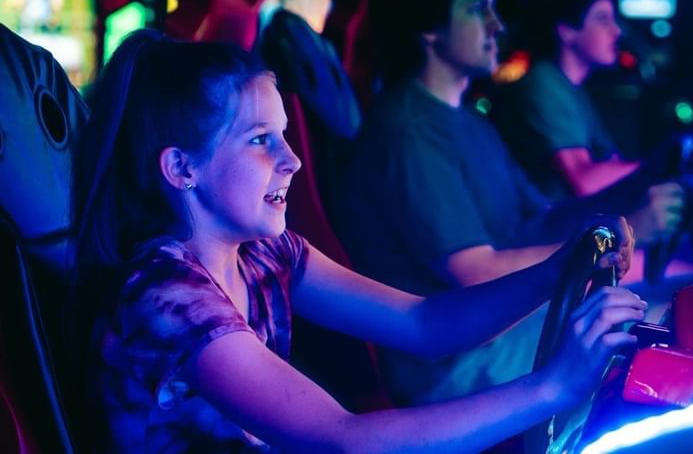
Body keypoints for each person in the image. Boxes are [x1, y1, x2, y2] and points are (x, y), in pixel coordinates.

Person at [72, 30, 645, 453]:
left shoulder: (266, 256)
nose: (292, 160)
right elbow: (342, 440)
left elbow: (426, 324)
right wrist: (551, 387)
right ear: (181, 168)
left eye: (284, 137)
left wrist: (555, 271)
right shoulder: (167, 298)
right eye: (260, 140)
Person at [334, 0, 646, 406]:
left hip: (506, 327)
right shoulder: (409, 132)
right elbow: (476, 271)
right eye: (477, 9)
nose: (496, 25)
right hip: (456, 362)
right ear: (429, 28)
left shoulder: (469, 121)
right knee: (656, 333)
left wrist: (632, 211)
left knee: (668, 307)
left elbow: (543, 218)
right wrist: (601, 247)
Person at [492, 0, 693, 209]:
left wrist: (684, 159)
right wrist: (676, 160)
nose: (616, 31)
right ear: (567, 31)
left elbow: (613, 165)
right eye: (603, 19)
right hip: (554, 230)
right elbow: (584, 181)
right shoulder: (544, 85)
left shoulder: (573, 90)